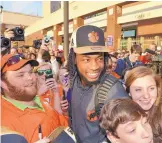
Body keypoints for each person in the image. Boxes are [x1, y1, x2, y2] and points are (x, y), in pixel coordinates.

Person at [66, 25, 129, 143]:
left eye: (99, 59)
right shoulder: (74, 80)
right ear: (74, 58)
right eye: (86, 59)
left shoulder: (113, 90)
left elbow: (127, 135)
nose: (95, 66)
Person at [1, 54, 68, 143]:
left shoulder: (37, 99)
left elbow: (59, 121)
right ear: (2, 83)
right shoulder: (4, 121)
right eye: (20, 75)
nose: (30, 78)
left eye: (30, 72)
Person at [124, 66, 162, 143]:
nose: (146, 96)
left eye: (151, 88)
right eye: (138, 90)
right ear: (129, 92)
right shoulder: (123, 117)